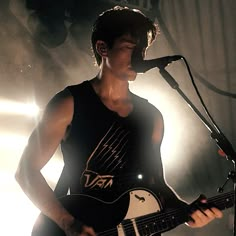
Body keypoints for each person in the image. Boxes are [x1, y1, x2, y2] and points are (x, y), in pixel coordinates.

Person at [15, 6, 223, 236]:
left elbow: (156, 185)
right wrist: (68, 223)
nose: (139, 57)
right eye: (129, 47)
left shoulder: (151, 116)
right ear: (102, 48)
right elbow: (26, 171)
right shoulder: (69, 103)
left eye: (142, 49)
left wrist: (186, 211)